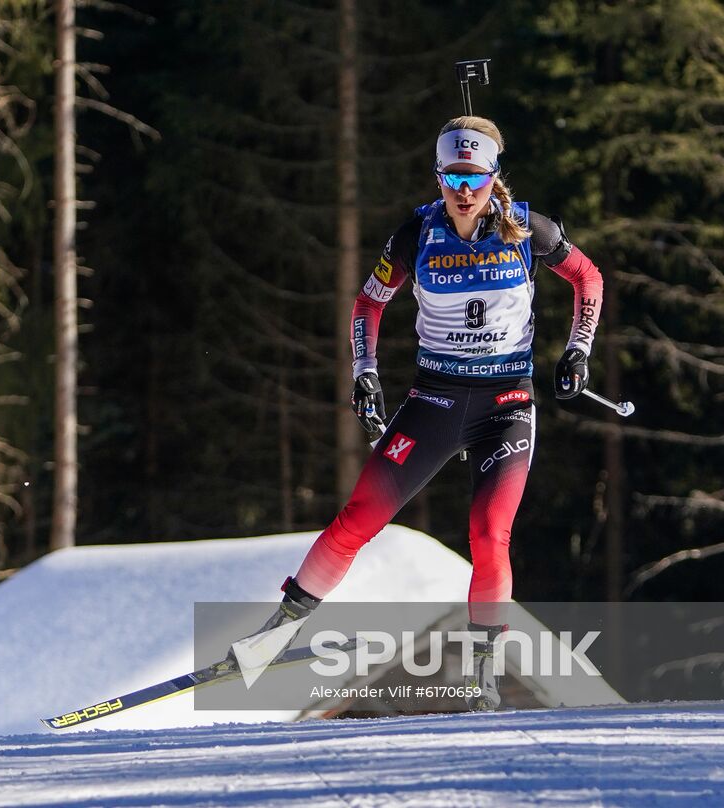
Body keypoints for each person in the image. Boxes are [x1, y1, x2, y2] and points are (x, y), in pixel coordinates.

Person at [243, 115, 603, 710]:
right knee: (359, 516)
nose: (465, 192)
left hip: (505, 406)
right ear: (439, 178)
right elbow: (368, 302)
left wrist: (578, 350)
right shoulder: (416, 235)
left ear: (493, 177)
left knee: (490, 536)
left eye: (476, 178)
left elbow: (587, 277)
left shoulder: (527, 230)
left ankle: (482, 675)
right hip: (435, 400)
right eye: (453, 178)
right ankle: (276, 633)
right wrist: (365, 371)